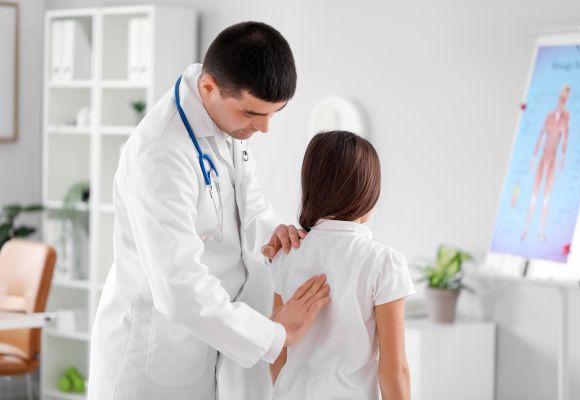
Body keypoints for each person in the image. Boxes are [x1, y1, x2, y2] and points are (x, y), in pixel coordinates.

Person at [88, 22, 330, 400]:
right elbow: (179, 288)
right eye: (253, 113)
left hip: (202, 353)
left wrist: (272, 229)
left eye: (273, 114)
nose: (264, 128)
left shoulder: (225, 121)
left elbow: (248, 204)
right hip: (151, 364)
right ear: (208, 88)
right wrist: (275, 334)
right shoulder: (160, 154)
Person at [269, 131, 415, 400]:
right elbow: (395, 370)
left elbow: (277, 346)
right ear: (369, 192)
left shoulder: (285, 255)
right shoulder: (383, 263)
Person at [521, 85, 570, 241]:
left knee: (546, 197)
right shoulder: (549, 116)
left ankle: (540, 231)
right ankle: (526, 229)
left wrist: (563, 156)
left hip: (553, 159)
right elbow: (542, 135)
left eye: (566, 98)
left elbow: (565, 139)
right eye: (562, 97)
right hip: (543, 157)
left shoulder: (565, 118)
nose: (563, 100)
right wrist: (534, 156)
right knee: (534, 195)